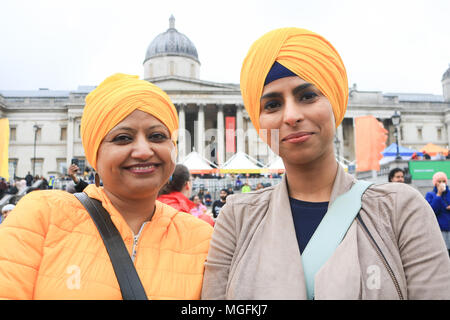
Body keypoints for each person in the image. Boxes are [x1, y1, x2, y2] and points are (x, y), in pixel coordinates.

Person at [201, 27, 450, 300]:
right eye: (272, 105)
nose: (292, 116)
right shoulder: (236, 217)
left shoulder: (401, 209)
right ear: (259, 122)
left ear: (335, 102)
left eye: (307, 96)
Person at [0, 73, 213, 299]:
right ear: (94, 154)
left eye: (158, 136)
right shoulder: (41, 216)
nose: (143, 151)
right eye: (122, 138)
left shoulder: (204, 238)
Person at [425, 172, 450, 256]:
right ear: (435, 183)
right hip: (439, 229)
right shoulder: (430, 195)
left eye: (444, 181)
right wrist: (438, 194)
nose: (442, 183)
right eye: (439, 181)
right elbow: (431, 210)